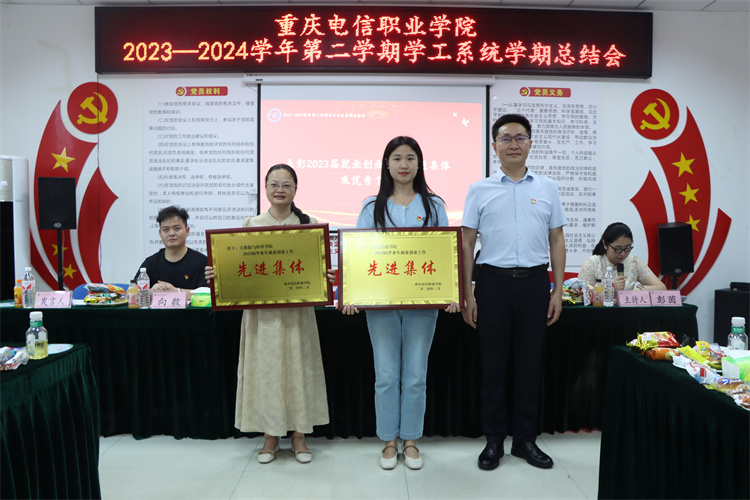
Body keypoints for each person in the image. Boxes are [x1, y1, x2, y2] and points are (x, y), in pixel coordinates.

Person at [337, 136, 460, 471]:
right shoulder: (371, 207)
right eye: (396, 158)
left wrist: (452, 292)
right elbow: (358, 256)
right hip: (381, 306)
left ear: (419, 164)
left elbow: (445, 254)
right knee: (387, 375)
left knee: (416, 375)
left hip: (423, 305)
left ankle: (411, 440)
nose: (403, 164)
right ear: (386, 164)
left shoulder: (434, 206)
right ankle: (389, 440)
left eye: (410, 158)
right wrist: (351, 295)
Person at [461, 114, 567, 471]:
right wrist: (468, 293)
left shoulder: (547, 187)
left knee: (529, 364)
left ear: (530, 143)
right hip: (492, 283)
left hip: (535, 283)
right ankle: (494, 440)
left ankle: (525, 439)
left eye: (520, 137)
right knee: (493, 365)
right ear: (494, 146)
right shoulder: (479, 189)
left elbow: (556, 239)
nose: (513, 144)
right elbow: (467, 243)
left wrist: (557, 290)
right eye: (505, 138)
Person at [205, 164, 329, 464]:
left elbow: (318, 269)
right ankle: (270, 436)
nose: (280, 190)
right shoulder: (251, 224)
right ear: (265, 188)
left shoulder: (309, 224)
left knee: (298, 369)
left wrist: (324, 274)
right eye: (274, 184)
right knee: (267, 371)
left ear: (296, 189)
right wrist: (218, 275)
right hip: (262, 316)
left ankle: (299, 435)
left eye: (287, 185)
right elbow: (238, 267)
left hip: (297, 313)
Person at [134, 205, 208, 296]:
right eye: (166, 230)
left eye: (177, 228)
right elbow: (132, 294)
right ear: (160, 233)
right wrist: (150, 292)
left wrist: (176, 292)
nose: (171, 233)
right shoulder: (151, 262)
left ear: (187, 231)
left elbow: (208, 295)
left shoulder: (202, 262)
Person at [578, 222, 666, 291]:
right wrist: (610, 287)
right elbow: (580, 292)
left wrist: (641, 289)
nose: (623, 254)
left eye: (627, 248)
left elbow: (661, 287)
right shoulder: (592, 263)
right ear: (605, 244)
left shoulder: (634, 262)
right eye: (617, 249)